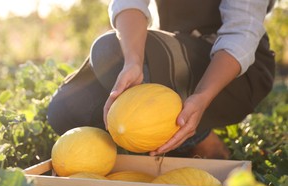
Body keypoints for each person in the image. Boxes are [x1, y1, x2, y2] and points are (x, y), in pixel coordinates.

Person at [47, 0, 276, 159]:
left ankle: (200, 138)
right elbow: (129, 4)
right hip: (177, 56)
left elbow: (241, 36)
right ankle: (163, 141)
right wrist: (133, 63)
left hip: (236, 72)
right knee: (66, 110)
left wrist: (201, 97)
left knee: (108, 50)